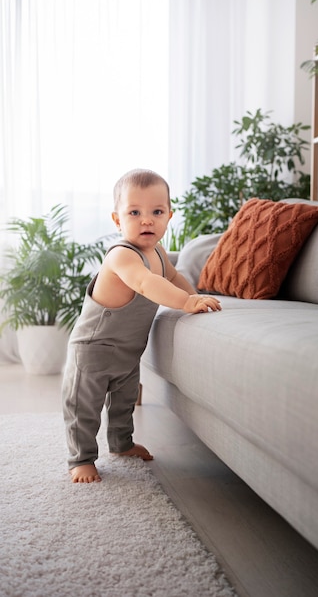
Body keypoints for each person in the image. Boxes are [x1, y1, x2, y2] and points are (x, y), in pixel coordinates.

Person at [62, 168, 221, 483]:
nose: (146, 219)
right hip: (93, 350)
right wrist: (185, 304)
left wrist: (195, 295)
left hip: (128, 350)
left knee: (123, 402)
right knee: (85, 407)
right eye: (134, 212)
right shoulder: (121, 256)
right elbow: (146, 283)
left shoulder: (159, 252)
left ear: (168, 216)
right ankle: (81, 459)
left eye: (156, 212)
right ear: (117, 219)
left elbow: (172, 277)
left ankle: (122, 443)